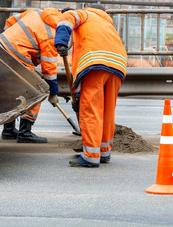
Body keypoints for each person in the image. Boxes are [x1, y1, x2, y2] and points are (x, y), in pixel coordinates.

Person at [54, 4, 127, 167]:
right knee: (108, 111)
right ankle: (104, 152)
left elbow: (66, 19)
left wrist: (61, 42)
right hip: (118, 65)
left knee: (91, 109)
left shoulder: (83, 14)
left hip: (95, 62)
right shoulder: (106, 23)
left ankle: (91, 155)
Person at [0, 8, 61, 143]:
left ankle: (8, 130)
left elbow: (10, 21)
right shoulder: (53, 35)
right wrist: (53, 93)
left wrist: (9, 39)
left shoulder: (36, 12)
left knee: (12, 90)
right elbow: (49, 70)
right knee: (36, 88)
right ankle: (25, 132)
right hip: (16, 54)